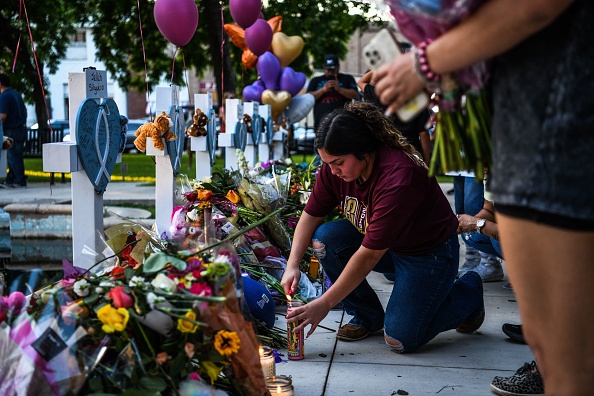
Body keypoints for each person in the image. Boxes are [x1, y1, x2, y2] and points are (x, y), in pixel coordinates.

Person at [373, 1, 594, 393]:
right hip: (519, 130)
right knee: (547, 349)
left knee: (573, 361)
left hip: (565, 124)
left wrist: (426, 62)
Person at [281, 101, 484, 353]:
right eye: (327, 163)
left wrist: (324, 303)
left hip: (428, 254)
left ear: (363, 153)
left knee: (401, 338)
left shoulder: (398, 177)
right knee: (325, 240)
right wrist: (292, 265)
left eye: (338, 162)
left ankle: (469, 292)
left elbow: (368, 256)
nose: (332, 171)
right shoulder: (333, 170)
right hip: (389, 245)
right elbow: (311, 215)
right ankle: (367, 316)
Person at [357, 70, 431, 162]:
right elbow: (424, 134)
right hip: (411, 152)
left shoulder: (378, 96)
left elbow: (360, 82)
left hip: (385, 152)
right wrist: (426, 160)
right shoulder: (418, 100)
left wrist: (378, 68)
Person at [452, 173, 504, 282]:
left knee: (497, 241)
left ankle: (530, 273)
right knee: (470, 236)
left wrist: (478, 223)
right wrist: (469, 222)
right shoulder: (490, 174)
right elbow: (489, 210)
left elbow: (515, 235)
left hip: (531, 238)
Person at [306, 54, 358, 134]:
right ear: (324, 68)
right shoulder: (316, 80)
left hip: (343, 123)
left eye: (332, 70)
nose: (330, 72)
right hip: (321, 124)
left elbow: (355, 94)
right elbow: (308, 98)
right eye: (328, 70)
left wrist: (339, 89)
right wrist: (323, 90)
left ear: (338, 67)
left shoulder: (347, 79)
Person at [0, 73, 28, 188]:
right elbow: (25, 110)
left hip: (11, 130)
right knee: (16, 155)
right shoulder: (16, 94)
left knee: (12, 156)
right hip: (20, 128)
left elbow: (2, 116)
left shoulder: (4, 96)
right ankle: (11, 179)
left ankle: (19, 180)